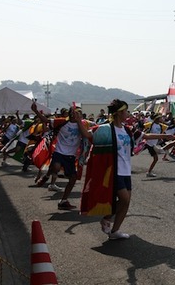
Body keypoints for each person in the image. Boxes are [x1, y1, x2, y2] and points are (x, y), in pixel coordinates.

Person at [77, 99, 133, 240]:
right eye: (126, 111)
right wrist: (79, 121)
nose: (127, 113)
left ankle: (114, 231)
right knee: (124, 199)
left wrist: (166, 136)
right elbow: (88, 135)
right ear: (119, 113)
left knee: (125, 203)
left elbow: (144, 137)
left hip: (126, 170)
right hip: (114, 171)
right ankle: (107, 218)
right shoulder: (105, 129)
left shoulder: (127, 129)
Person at [31, 101, 90, 208]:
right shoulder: (62, 122)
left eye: (80, 113)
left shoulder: (83, 124)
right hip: (59, 151)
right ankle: (46, 176)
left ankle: (63, 201)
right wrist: (35, 111)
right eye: (77, 112)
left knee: (72, 179)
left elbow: (90, 131)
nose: (79, 114)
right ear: (71, 113)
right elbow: (46, 120)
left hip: (71, 155)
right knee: (56, 166)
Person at [142, 113, 168, 177]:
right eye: (160, 118)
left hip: (153, 144)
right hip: (148, 143)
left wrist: (160, 139)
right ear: (157, 118)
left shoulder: (161, 126)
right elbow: (143, 129)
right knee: (135, 152)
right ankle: (149, 172)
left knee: (155, 159)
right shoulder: (151, 124)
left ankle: (149, 172)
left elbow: (160, 134)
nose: (161, 119)